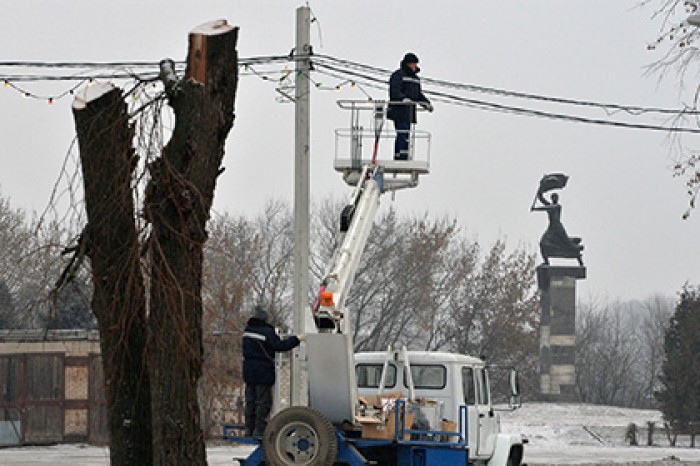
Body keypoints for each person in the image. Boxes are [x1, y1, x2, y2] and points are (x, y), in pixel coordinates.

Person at [243, 305, 304, 437]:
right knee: (262, 401)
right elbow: (279, 346)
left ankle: (249, 428)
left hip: (248, 370)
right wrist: (297, 339)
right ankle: (260, 430)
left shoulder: (247, 330)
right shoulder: (266, 332)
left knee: (250, 400)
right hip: (263, 371)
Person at [387, 52, 433, 160]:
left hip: (409, 111)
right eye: (413, 64)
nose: (415, 66)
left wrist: (426, 103)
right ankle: (400, 155)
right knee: (402, 133)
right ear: (407, 64)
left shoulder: (416, 79)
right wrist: (403, 98)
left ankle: (404, 154)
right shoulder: (398, 75)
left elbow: (418, 95)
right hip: (399, 110)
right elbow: (394, 91)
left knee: (406, 134)